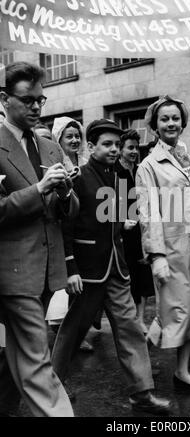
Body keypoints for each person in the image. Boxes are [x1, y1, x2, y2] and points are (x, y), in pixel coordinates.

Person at [51, 118, 172, 415]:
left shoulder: (118, 176)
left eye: (117, 145)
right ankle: (51, 388)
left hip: (117, 269)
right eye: (107, 144)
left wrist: (124, 221)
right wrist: (71, 267)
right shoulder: (78, 177)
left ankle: (141, 394)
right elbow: (64, 225)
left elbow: (115, 218)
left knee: (130, 328)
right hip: (87, 272)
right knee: (72, 333)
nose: (115, 150)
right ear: (91, 147)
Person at [0, 61, 79, 417]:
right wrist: (38, 189)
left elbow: (70, 211)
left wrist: (64, 195)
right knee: (36, 358)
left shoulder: (50, 148)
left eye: (40, 100)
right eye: (27, 100)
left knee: (16, 355)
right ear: (4, 99)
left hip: (48, 271)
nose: (35, 107)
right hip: (13, 272)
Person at [136, 95, 190, 391]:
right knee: (175, 312)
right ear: (155, 126)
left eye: (175, 118)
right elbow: (148, 213)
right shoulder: (148, 165)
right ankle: (139, 356)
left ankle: (182, 371)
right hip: (170, 251)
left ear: (183, 122)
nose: (171, 123)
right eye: (164, 119)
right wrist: (156, 254)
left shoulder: (188, 158)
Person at [52, 116, 93, 352]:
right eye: (70, 136)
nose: (75, 140)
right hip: (67, 230)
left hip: (85, 229)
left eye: (78, 135)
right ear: (60, 140)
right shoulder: (58, 165)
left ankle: (71, 331)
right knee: (71, 287)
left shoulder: (86, 162)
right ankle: (66, 335)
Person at [115, 129, 155, 334]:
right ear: (120, 149)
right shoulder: (114, 172)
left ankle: (140, 319)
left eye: (135, 148)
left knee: (143, 275)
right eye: (129, 148)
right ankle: (130, 319)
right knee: (128, 275)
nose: (134, 152)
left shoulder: (140, 170)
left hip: (141, 229)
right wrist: (121, 222)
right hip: (122, 234)